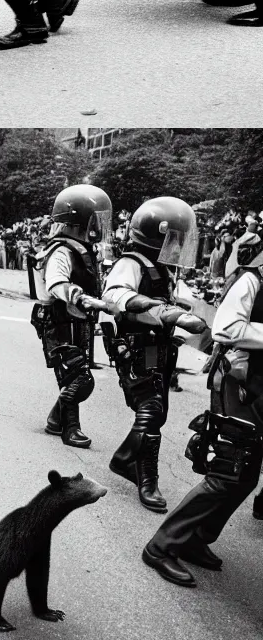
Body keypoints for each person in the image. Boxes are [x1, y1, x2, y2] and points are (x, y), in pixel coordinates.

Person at [142, 223, 263, 584]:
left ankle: (195, 539)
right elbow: (225, 328)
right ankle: (161, 546)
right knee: (228, 472)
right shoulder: (253, 279)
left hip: (258, 388)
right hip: (238, 384)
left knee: (245, 476)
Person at [102, 197, 206, 512]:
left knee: (156, 413)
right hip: (137, 347)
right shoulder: (130, 263)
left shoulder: (162, 268)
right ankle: (141, 473)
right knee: (150, 409)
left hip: (157, 349)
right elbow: (113, 295)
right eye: (173, 237)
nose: (177, 244)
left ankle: (132, 464)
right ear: (157, 234)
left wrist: (182, 312)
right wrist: (161, 309)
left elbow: (177, 301)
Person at [33, 185, 113, 448]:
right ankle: (71, 428)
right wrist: (78, 296)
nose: (99, 226)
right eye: (94, 220)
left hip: (77, 321)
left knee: (74, 374)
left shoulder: (84, 249)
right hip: (59, 321)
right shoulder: (61, 251)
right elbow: (56, 283)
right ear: (78, 221)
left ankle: (56, 420)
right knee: (79, 378)